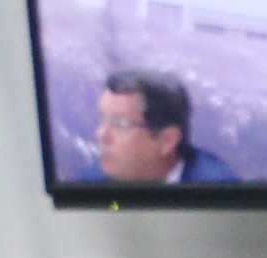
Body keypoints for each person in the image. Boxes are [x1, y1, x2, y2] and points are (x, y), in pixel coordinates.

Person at [89, 69, 238, 186]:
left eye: (121, 124)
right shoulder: (95, 177)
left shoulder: (215, 190)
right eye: (102, 119)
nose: (101, 134)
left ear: (168, 140)